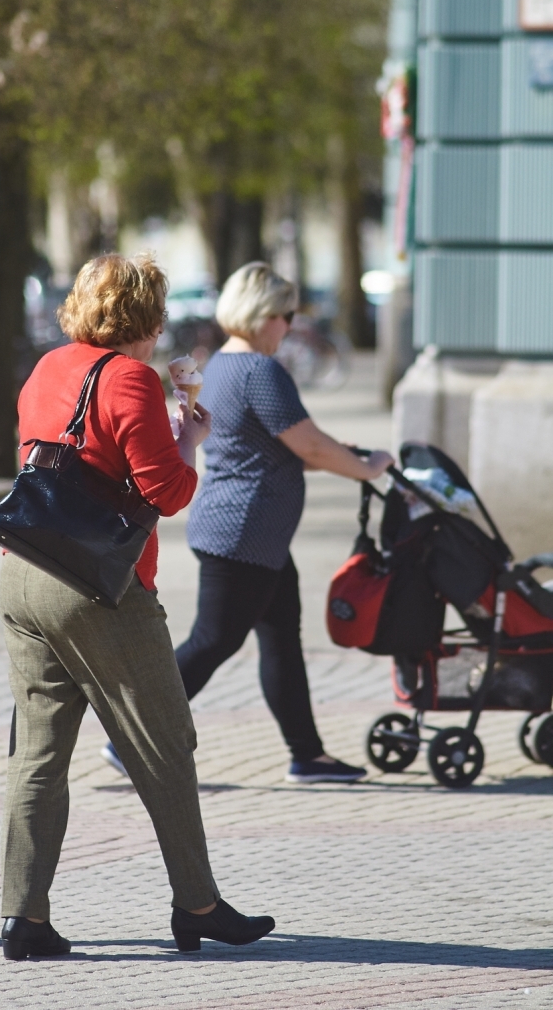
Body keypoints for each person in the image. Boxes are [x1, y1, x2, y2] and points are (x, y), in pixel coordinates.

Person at [0, 253, 274, 960]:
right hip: (98, 590)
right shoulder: (131, 379)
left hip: (22, 574)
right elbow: (168, 493)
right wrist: (191, 437)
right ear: (145, 319)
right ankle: (199, 903)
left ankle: (23, 915)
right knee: (167, 743)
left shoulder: (47, 367)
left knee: (38, 753)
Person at [105, 262, 392, 786]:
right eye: (286, 314)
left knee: (281, 638)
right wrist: (367, 468)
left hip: (253, 533)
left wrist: (344, 454)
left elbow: (275, 447)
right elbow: (306, 443)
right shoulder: (261, 371)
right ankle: (131, 738)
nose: (290, 325)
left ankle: (308, 754)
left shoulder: (221, 366)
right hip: (245, 532)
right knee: (214, 639)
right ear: (263, 316)